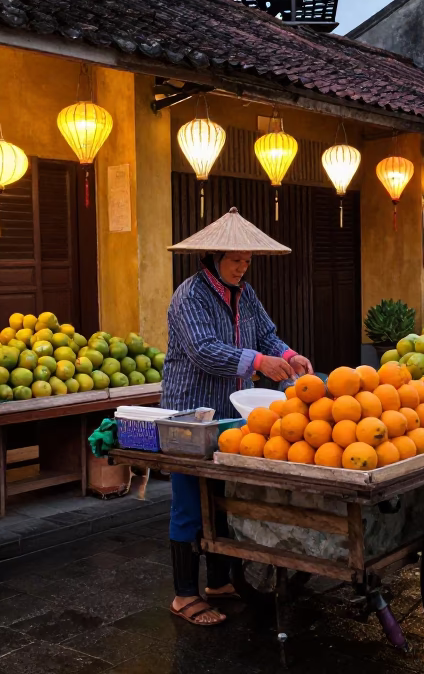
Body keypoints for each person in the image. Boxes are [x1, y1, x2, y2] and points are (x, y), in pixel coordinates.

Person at [160, 208, 313, 626]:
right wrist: (259, 361)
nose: (242, 268)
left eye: (247, 261)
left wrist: (287, 355)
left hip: (231, 410)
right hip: (189, 413)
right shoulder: (190, 295)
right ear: (212, 258)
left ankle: (220, 582)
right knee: (191, 502)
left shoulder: (245, 293)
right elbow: (205, 351)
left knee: (224, 500)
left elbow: (267, 334)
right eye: (235, 260)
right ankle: (184, 595)